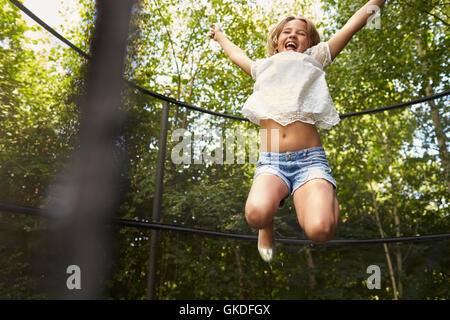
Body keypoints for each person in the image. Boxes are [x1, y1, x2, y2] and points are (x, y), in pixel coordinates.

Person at [209, 0, 387, 263]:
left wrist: (375, 3)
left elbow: (352, 25)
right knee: (255, 215)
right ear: (278, 40)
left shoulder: (315, 58)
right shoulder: (263, 67)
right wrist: (221, 37)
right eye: (287, 31)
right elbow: (238, 56)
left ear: (309, 42)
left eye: (301, 33)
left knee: (321, 231)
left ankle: (320, 197)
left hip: (310, 162)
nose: (293, 35)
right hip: (272, 163)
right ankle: (267, 223)